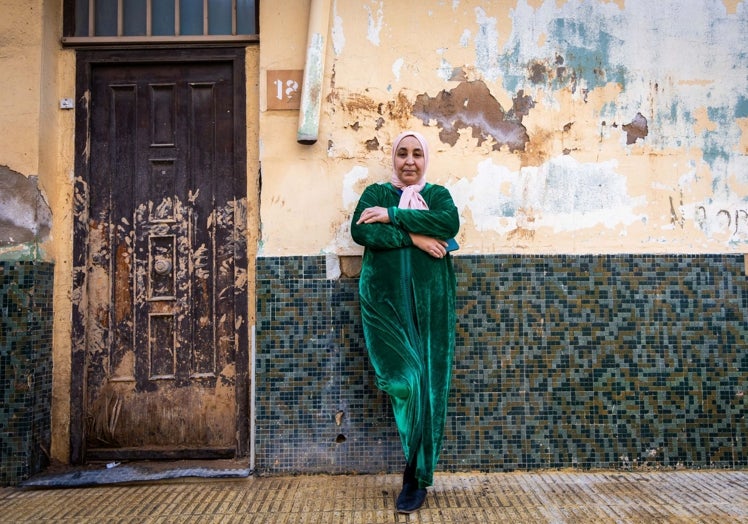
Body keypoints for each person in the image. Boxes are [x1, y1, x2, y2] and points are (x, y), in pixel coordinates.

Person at [350, 130, 459, 514]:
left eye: (416, 154)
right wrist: (415, 237)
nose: (409, 161)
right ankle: (414, 468)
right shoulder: (375, 194)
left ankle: (416, 476)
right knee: (401, 381)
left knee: (430, 389)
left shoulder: (438, 195)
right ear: (392, 158)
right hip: (384, 305)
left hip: (432, 305)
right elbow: (362, 230)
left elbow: (448, 223)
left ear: (424, 159)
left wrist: (395, 217)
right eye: (402, 154)